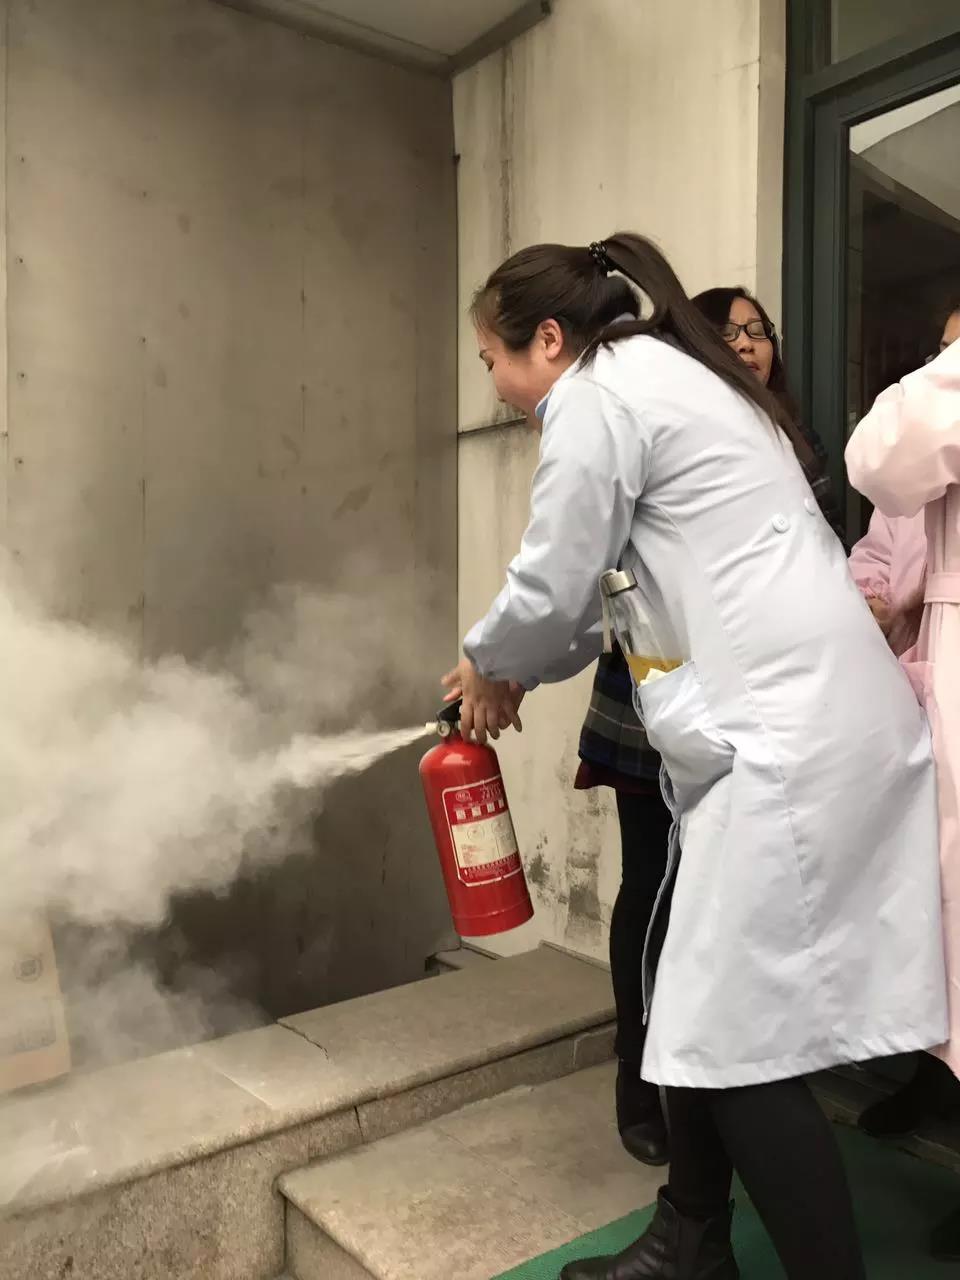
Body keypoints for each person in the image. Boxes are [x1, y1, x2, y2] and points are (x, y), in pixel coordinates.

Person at [443, 232, 946, 1280]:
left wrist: (491, 662)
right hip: (799, 730)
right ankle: (693, 1235)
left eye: (493, 360)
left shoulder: (599, 396)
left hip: (786, 745)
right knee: (697, 1001)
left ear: (548, 338)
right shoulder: (671, 376)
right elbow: (610, 588)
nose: (495, 385)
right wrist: (513, 668)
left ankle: (739, 1251)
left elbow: (556, 572)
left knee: (735, 1041)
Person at [577, 284, 846, 1172]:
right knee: (653, 891)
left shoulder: (791, 444)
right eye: (726, 332)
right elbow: (599, 572)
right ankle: (637, 1082)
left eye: (759, 330)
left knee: (730, 916)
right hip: (652, 700)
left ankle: (716, 1100)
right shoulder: (649, 427)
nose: (748, 343)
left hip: (756, 711)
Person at [847, 303, 960, 1262]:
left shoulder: (936, 403)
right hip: (917, 706)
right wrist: (880, 601)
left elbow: (881, 451)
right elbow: (881, 533)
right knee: (931, 923)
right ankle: (929, 1082)